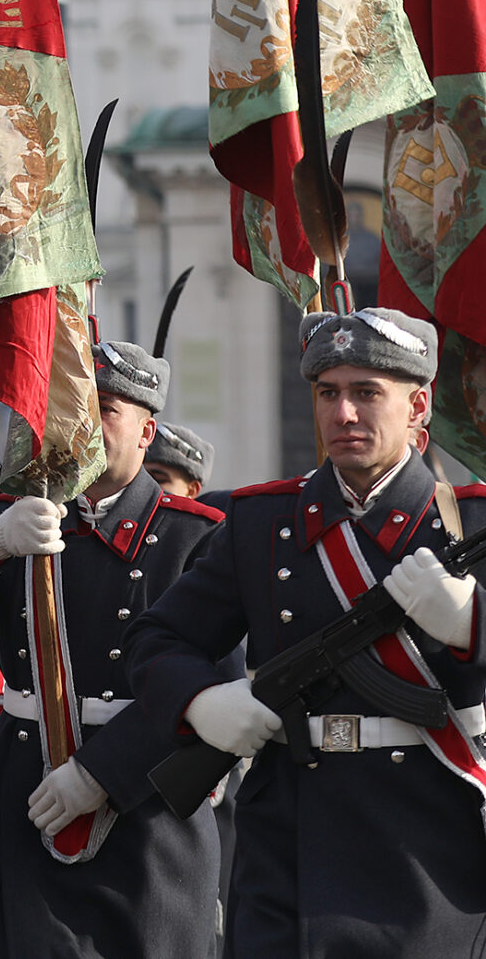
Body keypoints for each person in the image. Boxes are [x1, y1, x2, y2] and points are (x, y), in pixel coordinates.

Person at [126, 307, 486, 956]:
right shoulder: (261, 522)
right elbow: (158, 638)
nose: (343, 413)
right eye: (328, 392)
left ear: (418, 405)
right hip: (290, 839)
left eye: (367, 392)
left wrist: (472, 623)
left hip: (430, 849)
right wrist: (201, 700)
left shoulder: (470, 525)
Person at [0, 341, 228, 957]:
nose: (82, 420)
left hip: (146, 808)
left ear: (146, 432)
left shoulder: (193, 536)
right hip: (22, 790)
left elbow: (215, 700)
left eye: (105, 408)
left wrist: (104, 772)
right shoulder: (20, 516)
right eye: (72, 403)